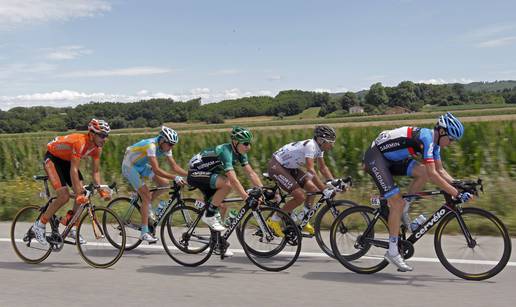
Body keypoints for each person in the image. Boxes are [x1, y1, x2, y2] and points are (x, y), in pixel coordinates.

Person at [362, 112, 473, 271]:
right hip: (376, 158)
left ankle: (404, 211)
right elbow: (435, 175)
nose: (452, 143)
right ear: (441, 132)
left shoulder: (435, 144)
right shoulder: (427, 138)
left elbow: (439, 170)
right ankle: (392, 251)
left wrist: (459, 184)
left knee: (423, 173)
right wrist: (456, 193)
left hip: (393, 159)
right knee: (397, 203)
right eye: (451, 139)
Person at [32, 119, 112, 246]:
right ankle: (40, 224)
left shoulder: (97, 148)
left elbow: (95, 172)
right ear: (92, 134)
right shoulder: (80, 142)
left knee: (83, 193)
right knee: (64, 196)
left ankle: (71, 226)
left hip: (66, 160)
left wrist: (101, 190)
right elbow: (74, 169)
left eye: (106, 136)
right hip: (52, 158)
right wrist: (78, 193)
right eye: (102, 135)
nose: (104, 139)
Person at [187, 126, 263, 235]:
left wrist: (262, 190)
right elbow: (233, 180)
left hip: (209, 174)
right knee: (227, 184)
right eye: (245, 143)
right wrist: (246, 198)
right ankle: (208, 215)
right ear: (235, 142)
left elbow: (251, 173)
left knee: (222, 208)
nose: (248, 147)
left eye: (250, 143)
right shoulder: (225, 152)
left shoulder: (240, 153)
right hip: (195, 173)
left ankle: (217, 243)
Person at [266, 125, 338, 237]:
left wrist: (333, 183)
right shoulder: (311, 146)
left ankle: (303, 219)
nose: (332, 145)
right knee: (300, 196)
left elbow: (323, 168)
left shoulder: (319, 148)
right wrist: (324, 189)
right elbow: (310, 170)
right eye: (330, 142)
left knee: (312, 189)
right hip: (277, 166)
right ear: (322, 140)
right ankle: (273, 220)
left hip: (290, 168)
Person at [122, 126, 188, 243]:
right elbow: (156, 170)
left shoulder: (166, 147)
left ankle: (146, 206)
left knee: (164, 184)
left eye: (173, 145)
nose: (171, 147)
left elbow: (174, 167)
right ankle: (144, 232)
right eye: (170, 144)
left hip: (141, 166)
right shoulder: (151, 145)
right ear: (162, 140)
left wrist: (189, 175)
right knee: (146, 196)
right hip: (130, 166)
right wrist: (175, 177)